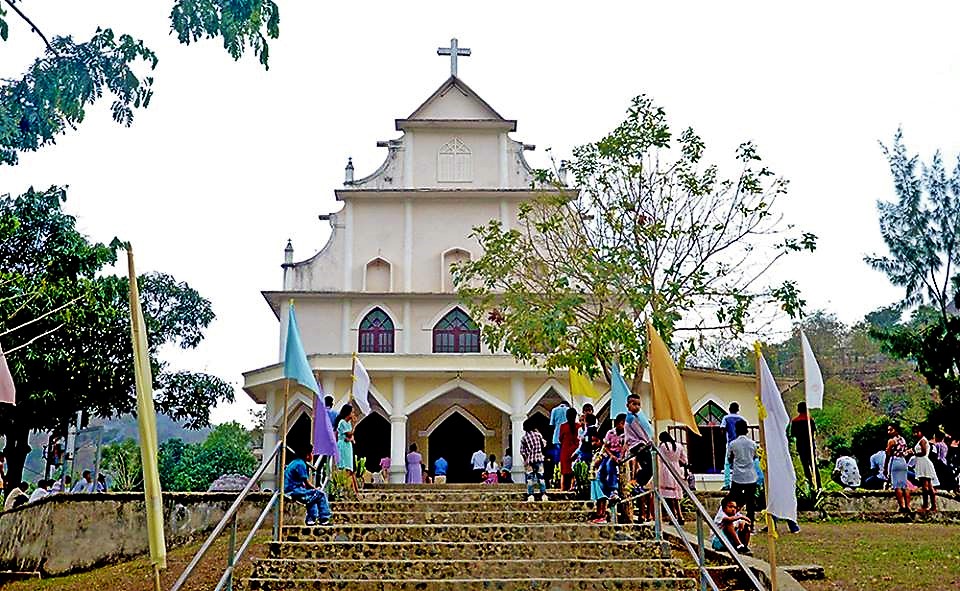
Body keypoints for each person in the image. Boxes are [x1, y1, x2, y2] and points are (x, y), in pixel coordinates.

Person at [284, 444, 332, 526]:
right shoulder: (300, 464)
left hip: (291, 489)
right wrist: (316, 489)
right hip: (294, 491)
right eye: (312, 453)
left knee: (312, 497)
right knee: (320, 494)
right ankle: (324, 518)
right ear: (307, 455)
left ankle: (311, 519)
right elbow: (307, 483)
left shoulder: (295, 462)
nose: (312, 455)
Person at [623, 393, 653, 522]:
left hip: (636, 445)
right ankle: (634, 484)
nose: (637, 406)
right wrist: (648, 441)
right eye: (634, 404)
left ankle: (637, 484)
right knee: (649, 468)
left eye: (638, 404)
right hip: (639, 445)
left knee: (647, 469)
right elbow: (640, 433)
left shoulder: (633, 417)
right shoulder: (631, 418)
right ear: (628, 405)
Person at [727, 419, 758, 527]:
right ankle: (751, 523)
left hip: (738, 477)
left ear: (736, 430)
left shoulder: (732, 444)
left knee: (733, 500)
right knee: (750, 502)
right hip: (751, 476)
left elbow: (730, 458)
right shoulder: (753, 444)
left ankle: (733, 520)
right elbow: (755, 457)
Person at [658, 431, 687, 525]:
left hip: (666, 469)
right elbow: (684, 460)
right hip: (676, 468)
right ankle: (680, 515)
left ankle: (673, 516)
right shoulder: (679, 446)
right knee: (675, 496)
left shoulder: (663, 446)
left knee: (669, 497)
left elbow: (659, 457)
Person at [790, 402, 820, 488]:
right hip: (810, 445)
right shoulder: (810, 420)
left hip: (801, 446)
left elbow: (793, 434)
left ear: (798, 410)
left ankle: (810, 484)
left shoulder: (795, 421)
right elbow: (813, 432)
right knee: (813, 464)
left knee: (805, 466)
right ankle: (818, 484)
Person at [883, 424, 911, 513]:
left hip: (895, 461)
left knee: (897, 486)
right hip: (903, 461)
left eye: (890, 430)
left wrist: (885, 467)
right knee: (904, 485)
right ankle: (908, 505)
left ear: (895, 430)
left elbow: (888, 454)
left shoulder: (891, 441)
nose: (888, 432)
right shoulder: (903, 439)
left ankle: (902, 506)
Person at [910, 425, 938, 513]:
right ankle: (933, 506)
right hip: (922, 463)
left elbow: (923, 452)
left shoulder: (922, 441)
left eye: (916, 432)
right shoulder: (921, 441)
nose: (915, 434)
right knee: (929, 486)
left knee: (925, 486)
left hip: (924, 462)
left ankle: (926, 505)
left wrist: (914, 452)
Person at [520, 417, 548, 502]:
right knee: (541, 478)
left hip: (529, 460)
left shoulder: (524, 438)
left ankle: (531, 495)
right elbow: (544, 444)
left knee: (530, 479)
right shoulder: (538, 435)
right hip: (539, 459)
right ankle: (543, 494)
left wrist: (525, 460)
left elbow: (522, 451)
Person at [335, 403, 358, 495]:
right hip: (343, 446)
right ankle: (342, 487)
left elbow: (350, 437)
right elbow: (349, 434)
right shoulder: (342, 422)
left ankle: (354, 490)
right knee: (345, 467)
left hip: (348, 445)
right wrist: (355, 424)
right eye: (352, 412)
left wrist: (351, 439)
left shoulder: (347, 423)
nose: (353, 414)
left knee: (350, 467)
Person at [720, 403, 743, 489]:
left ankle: (727, 484)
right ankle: (739, 484)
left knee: (727, 464)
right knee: (738, 463)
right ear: (738, 409)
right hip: (740, 444)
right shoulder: (741, 419)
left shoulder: (726, 418)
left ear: (729, 409)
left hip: (730, 443)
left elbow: (722, 429)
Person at [558, 407, 579, 491]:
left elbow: (560, 438)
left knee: (564, 471)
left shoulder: (563, 426)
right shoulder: (578, 426)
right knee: (573, 470)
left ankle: (562, 488)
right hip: (575, 449)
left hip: (565, 450)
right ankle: (572, 486)